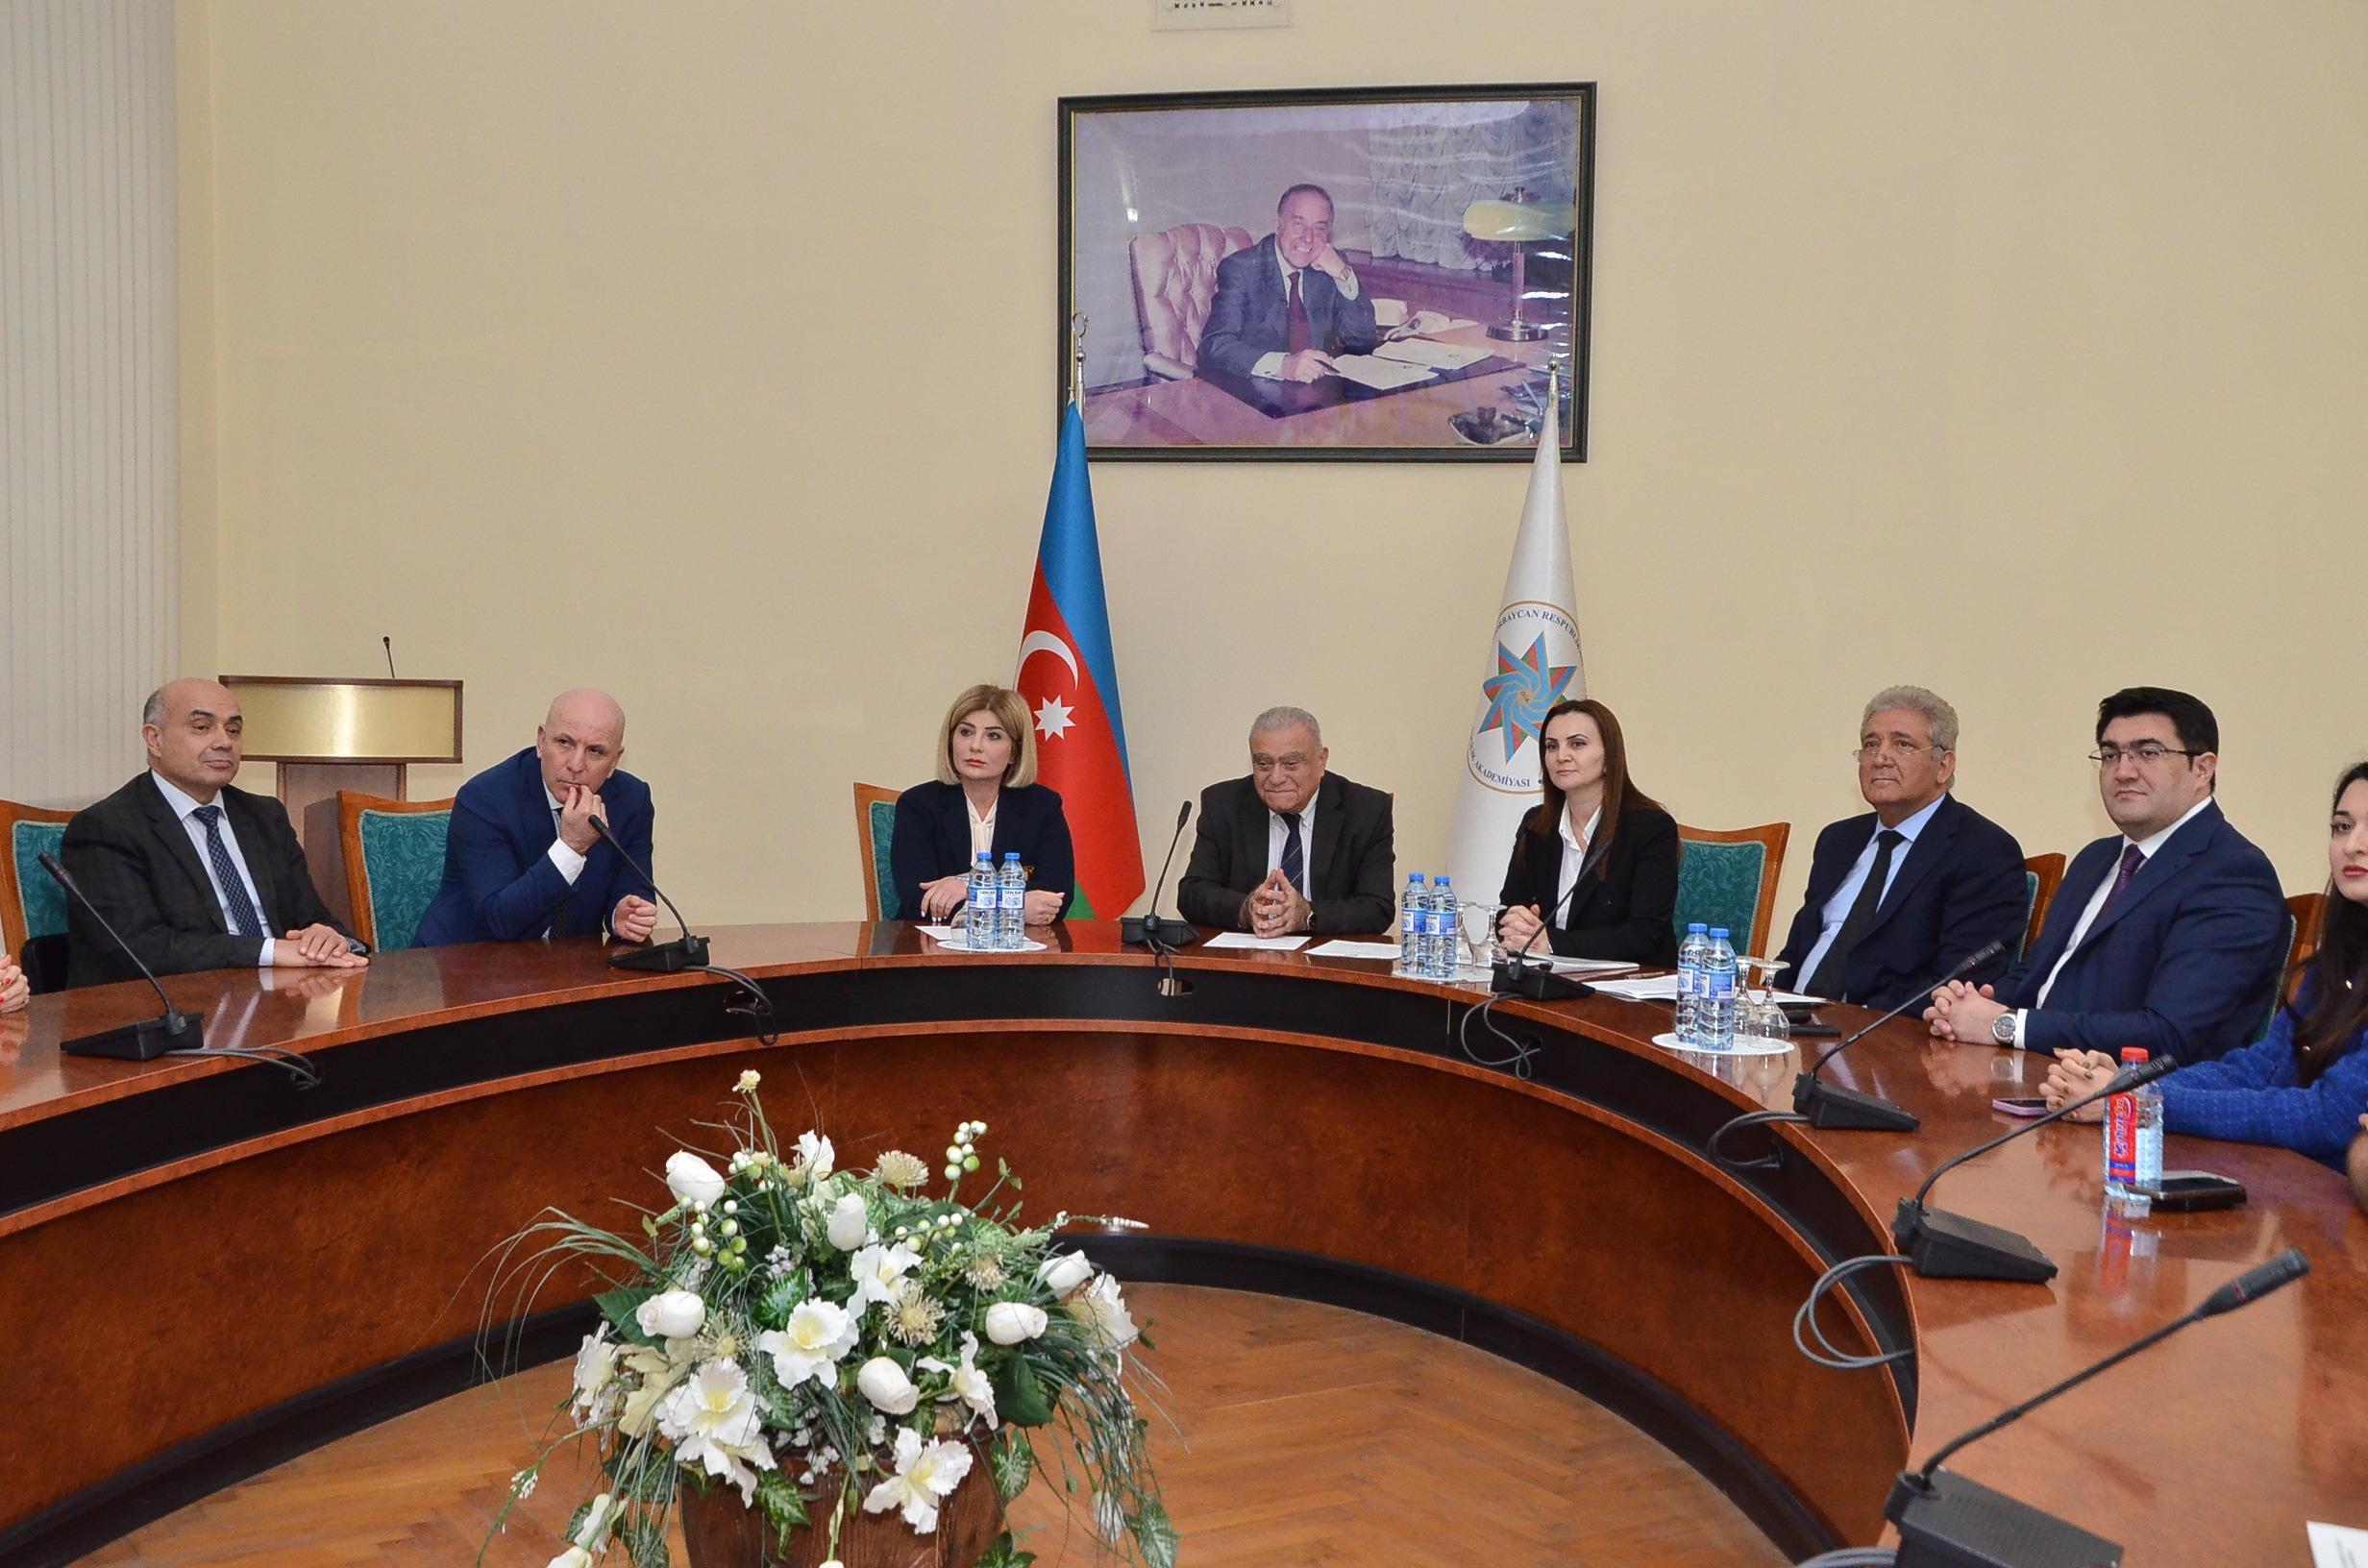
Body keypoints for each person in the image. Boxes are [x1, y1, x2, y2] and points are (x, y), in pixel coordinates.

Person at [1926, 687, 2286, 1062]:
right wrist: (1969, 1008)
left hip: (2129, 1101)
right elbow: (2036, 975)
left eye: (2148, 753)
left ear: (2203, 768)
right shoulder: (2096, 859)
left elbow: (2171, 1033)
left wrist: (2008, 1026)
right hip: (2031, 1070)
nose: (2123, 771)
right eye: (2111, 754)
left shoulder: (2234, 874)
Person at [2040, 762, 2368, 1168]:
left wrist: (2136, 1101)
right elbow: (2259, 1068)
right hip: (2289, 1185)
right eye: (2342, 826)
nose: (2353, 845)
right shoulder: (2339, 961)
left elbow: (2330, 1117)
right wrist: (2130, 1084)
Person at [60, 678, 367, 987]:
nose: (224, 742)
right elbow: (139, 948)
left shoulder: (264, 816)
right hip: (179, 1007)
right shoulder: (108, 827)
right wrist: (268, 951)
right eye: (202, 727)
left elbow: (312, 915)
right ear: (154, 739)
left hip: (283, 997)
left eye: (233, 730)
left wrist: (328, 937)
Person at [1774, 687, 2026, 1010]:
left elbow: (1955, 985)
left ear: (1944, 766)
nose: (1880, 758)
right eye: (1871, 744)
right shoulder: (1837, 840)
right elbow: (1797, 954)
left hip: (1879, 1039)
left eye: (1902, 744)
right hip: (1787, 1026)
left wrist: (1847, 1022)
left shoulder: (1985, 852)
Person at [413, 689, 661, 947]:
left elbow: (635, 886)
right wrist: (572, 847)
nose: (576, 765)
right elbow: (500, 919)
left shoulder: (632, 799)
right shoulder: (485, 799)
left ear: (614, 762)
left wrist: (621, 913)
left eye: (595, 751)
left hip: (564, 968)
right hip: (462, 964)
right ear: (541, 741)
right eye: (564, 743)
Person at [1176, 706, 1394, 937]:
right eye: (1263, 764)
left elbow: (1378, 908)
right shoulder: (1223, 804)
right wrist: (1245, 909)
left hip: (1328, 966)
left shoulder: (1367, 810)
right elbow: (1192, 893)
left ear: (1321, 761)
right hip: (1245, 964)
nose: (1276, 778)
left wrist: (1308, 915)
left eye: (1291, 764)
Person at [1493, 698, 1678, 965]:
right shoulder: (1537, 825)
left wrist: (1551, 943)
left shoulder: (1650, 828)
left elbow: (1644, 934)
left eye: (1577, 744)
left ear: (1609, 758)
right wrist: (1517, 925)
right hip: (1550, 977)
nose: (1561, 756)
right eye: (1551, 746)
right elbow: (1509, 907)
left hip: (1630, 986)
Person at [891, 684, 1074, 925]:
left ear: (1014, 754)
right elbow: (918, 900)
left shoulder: (1042, 806)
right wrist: (1016, 905)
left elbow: (1056, 895)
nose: (975, 746)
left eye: (993, 735)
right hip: (928, 952)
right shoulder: (917, 805)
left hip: (1017, 954)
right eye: (966, 732)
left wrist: (965, 888)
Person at [1196, 184, 1380, 384]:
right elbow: (1213, 345)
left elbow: (1362, 341)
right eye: (1298, 224)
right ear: (1279, 225)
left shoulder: (1328, 267)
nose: (1308, 238)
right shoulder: (1242, 269)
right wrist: (1282, 366)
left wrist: (1343, 275)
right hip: (1255, 397)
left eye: (1319, 227)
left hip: (1318, 394)